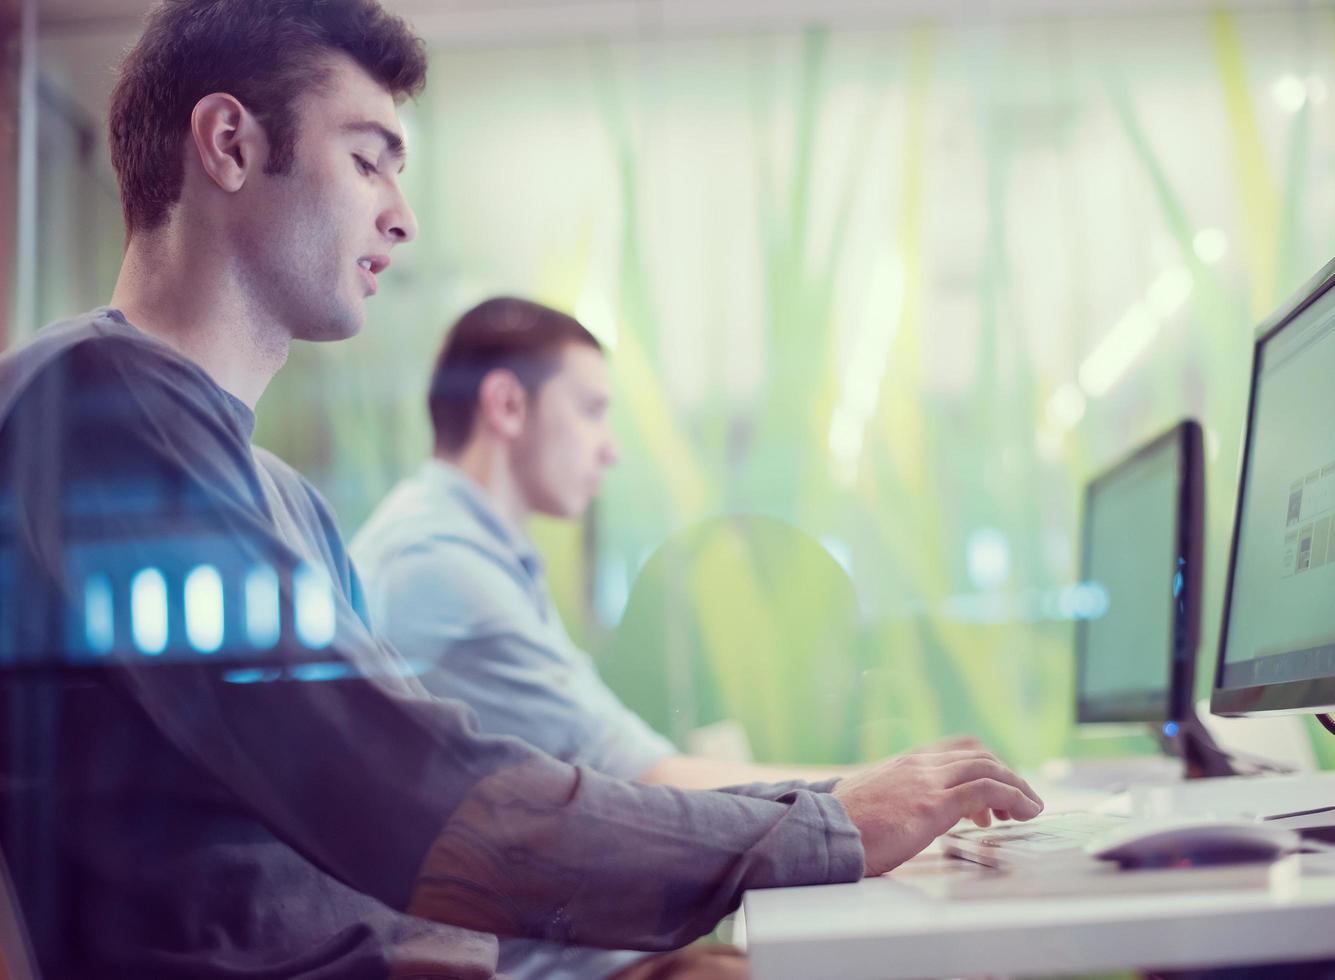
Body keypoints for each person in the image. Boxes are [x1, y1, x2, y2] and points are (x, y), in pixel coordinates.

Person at [0, 2, 1042, 978]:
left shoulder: (281, 495)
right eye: (368, 160)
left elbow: (412, 791)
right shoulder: (89, 403)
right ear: (229, 145)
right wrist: (832, 822)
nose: (401, 218)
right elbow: (415, 796)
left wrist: (828, 810)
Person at [353, 298, 993, 977]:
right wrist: (873, 798)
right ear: (508, 405)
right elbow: (640, 774)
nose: (612, 447)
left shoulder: (473, 555)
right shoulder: (439, 567)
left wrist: (876, 796)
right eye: (592, 409)